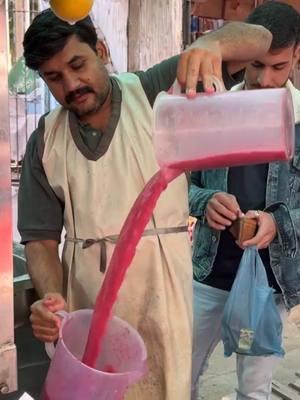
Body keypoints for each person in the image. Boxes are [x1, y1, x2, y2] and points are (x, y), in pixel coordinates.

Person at [18, 8, 272, 400]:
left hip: (161, 289)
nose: (71, 84)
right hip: (87, 305)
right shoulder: (46, 141)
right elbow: (40, 240)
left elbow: (260, 39)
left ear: (100, 50)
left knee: (165, 385)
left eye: (77, 64)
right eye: (54, 77)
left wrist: (212, 43)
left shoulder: (153, 91)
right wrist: (53, 298)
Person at [190, 2, 300, 399]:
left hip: (269, 282)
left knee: (254, 390)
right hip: (209, 271)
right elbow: (179, 186)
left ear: (296, 56)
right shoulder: (213, 112)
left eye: (278, 66)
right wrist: (204, 200)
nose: (266, 79)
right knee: (177, 374)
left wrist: (279, 223)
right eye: (256, 66)